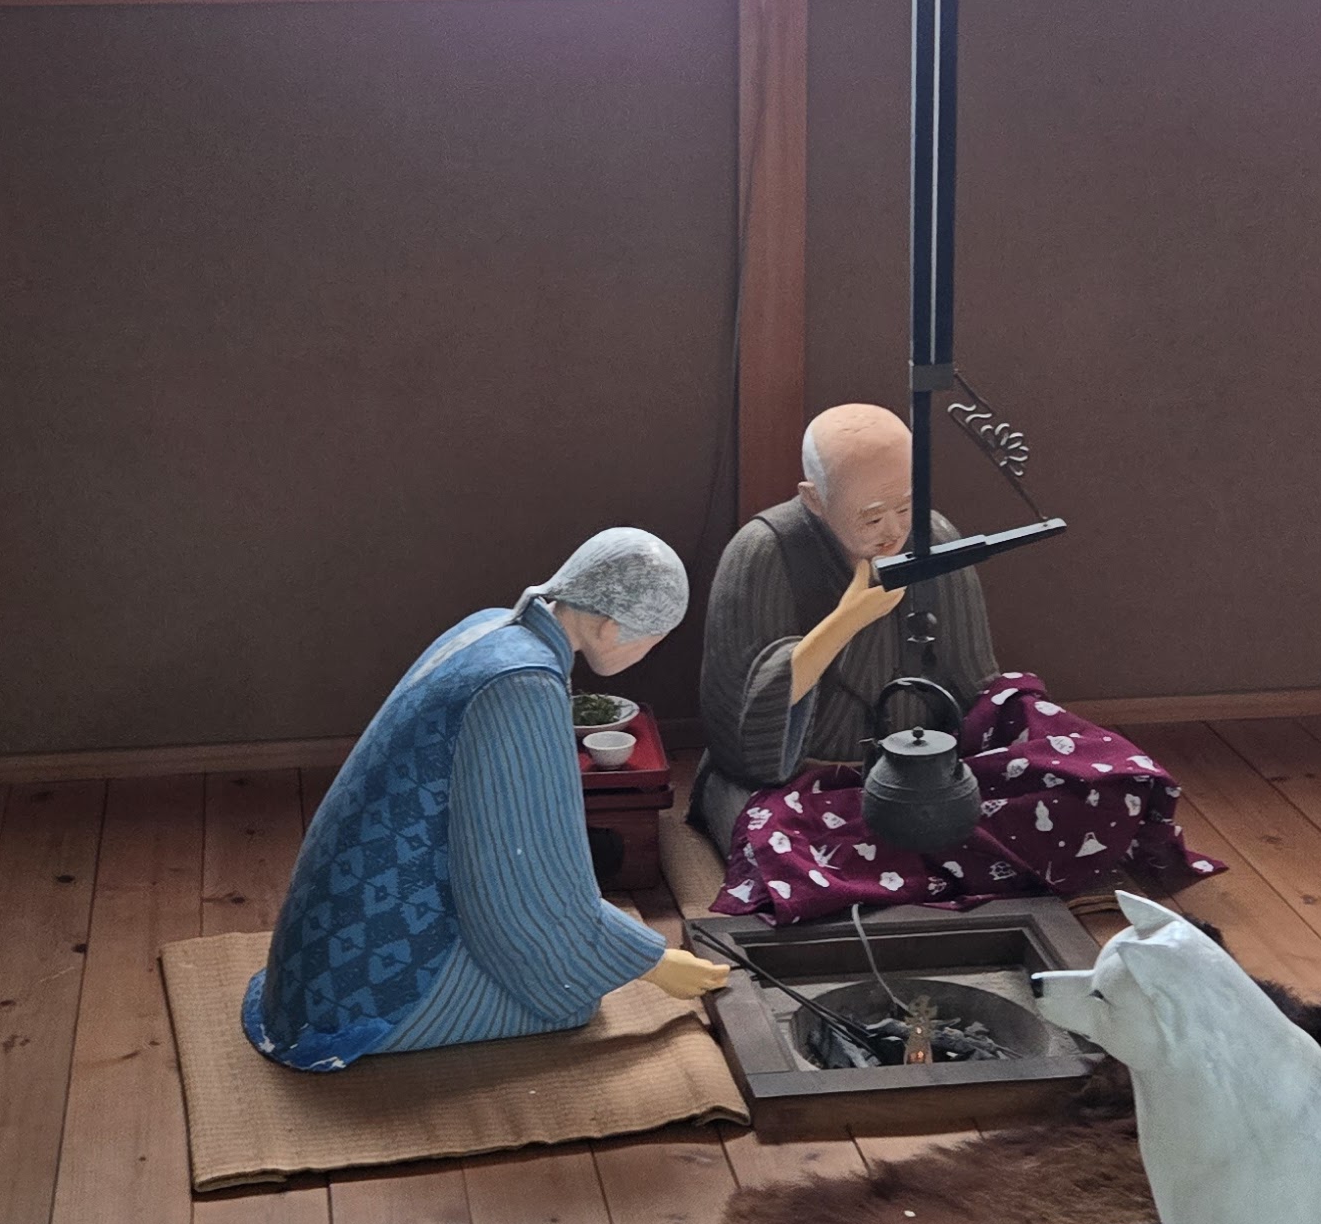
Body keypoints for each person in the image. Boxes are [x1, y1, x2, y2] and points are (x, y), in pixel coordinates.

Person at [245, 528, 720, 1070]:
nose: (649, 652)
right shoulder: (521, 685)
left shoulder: (494, 626)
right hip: (363, 992)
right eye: (653, 640)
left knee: (578, 967)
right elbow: (522, 886)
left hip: (320, 951)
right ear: (610, 626)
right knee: (574, 997)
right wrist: (652, 962)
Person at [693, 402, 996, 856]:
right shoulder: (763, 552)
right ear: (814, 499)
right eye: (872, 517)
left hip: (918, 779)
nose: (893, 530)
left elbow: (979, 686)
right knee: (781, 854)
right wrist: (845, 621)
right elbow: (739, 734)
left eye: (905, 507)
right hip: (792, 787)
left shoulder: (933, 540)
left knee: (1031, 812)